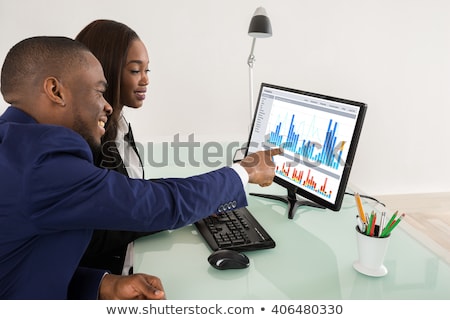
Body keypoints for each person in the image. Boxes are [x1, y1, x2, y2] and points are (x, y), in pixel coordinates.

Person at [0, 36, 280, 299]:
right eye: (99, 92)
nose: (107, 106)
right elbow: (160, 204)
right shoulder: (41, 161)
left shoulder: (15, 144)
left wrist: (103, 285)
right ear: (55, 90)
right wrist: (244, 171)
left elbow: (25, 267)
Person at [75, 20, 154, 275]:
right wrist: (173, 209)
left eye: (147, 70)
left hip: (129, 264)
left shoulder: (120, 124)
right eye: (135, 71)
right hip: (102, 282)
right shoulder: (84, 142)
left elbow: (135, 195)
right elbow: (98, 232)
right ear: (104, 72)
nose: (145, 80)